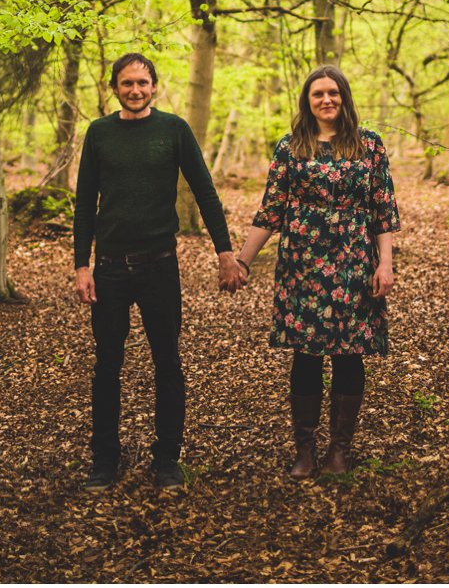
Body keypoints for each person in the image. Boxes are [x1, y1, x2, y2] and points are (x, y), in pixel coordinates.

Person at [72, 53, 241, 491]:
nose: (135, 90)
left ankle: (167, 459)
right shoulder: (99, 134)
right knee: (107, 366)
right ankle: (104, 461)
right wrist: (81, 265)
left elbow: (204, 190)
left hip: (160, 267)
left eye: (142, 83)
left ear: (154, 86)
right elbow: (84, 202)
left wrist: (224, 252)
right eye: (127, 83)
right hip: (109, 269)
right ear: (114, 88)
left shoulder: (173, 130)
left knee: (168, 362)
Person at [232, 65, 399, 478]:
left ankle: (340, 450)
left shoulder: (369, 146)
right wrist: (242, 261)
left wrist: (385, 262)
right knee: (305, 357)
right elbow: (270, 211)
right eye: (317, 94)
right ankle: (304, 450)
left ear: (344, 97)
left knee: (348, 356)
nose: (326, 100)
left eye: (333, 93)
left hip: (353, 265)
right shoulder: (290, 148)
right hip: (303, 266)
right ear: (307, 102)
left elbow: (383, 209)